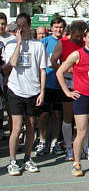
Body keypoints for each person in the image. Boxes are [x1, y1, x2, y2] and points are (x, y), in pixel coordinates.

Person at [57, 27, 89, 176]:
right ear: (84, 39)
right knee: (81, 132)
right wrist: (68, 92)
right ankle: (77, 163)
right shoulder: (76, 54)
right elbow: (60, 72)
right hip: (82, 98)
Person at [5, 13, 47, 176]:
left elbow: (42, 70)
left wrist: (42, 92)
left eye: (23, 25)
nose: (21, 28)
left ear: (29, 26)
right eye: (18, 25)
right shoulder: (11, 45)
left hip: (33, 90)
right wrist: (18, 43)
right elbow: (13, 63)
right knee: (16, 127)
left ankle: (28, 158)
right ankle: (13, 160)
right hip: (16, 90)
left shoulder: (38, 46)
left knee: (30, 126)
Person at [51, 20, 87, 161]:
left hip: (83, 82)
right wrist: (64, 70)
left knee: (83, 118)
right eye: (75, 36)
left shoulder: (86, 44)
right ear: (70, 33)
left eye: (80, 37)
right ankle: (68, 148)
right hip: (67, 82)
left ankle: (84, 148)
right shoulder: (63, 43)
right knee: (68, 115)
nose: (77, 39)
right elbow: (53, 61)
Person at [36, 17, 66, 156]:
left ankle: (55, 141)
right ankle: (42, 141)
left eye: (61, 27)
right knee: (43, 114)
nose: (58, 29)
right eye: (56, 27)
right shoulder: (44, 42)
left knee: (57, 114)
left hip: (61, 85)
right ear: (51, 28)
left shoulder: (66, 42)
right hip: (46, 84)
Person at [0, 13, 15, 136]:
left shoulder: (11, 39)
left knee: (11, 111)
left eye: (3, 24)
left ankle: (12, 135)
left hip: (9, 79)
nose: (1, 26)